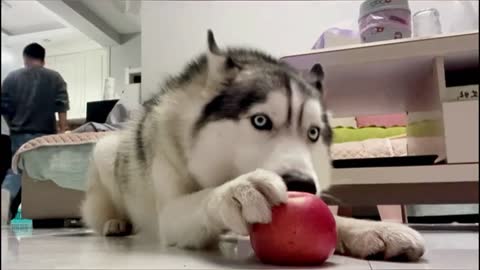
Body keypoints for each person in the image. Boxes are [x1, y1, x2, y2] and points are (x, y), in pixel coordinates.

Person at [1, 43, 69, 221]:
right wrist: (62, 131)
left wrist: (14, 125)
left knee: (16, 171)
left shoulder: (11, 78)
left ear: (25, 58)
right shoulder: (55, 78)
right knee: (47, 173)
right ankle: (47, 214)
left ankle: (4, 199)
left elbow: (4, 108)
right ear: (43, 59)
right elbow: (61, 106)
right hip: (44, 135)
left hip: (19, 134)